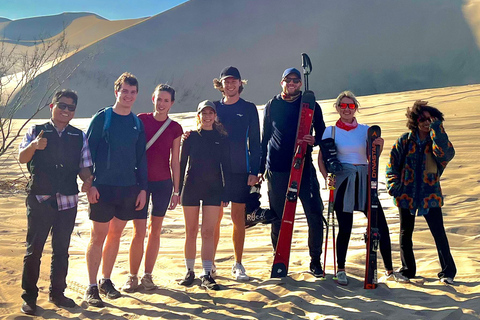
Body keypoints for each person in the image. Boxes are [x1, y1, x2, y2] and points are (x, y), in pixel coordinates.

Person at [319, 90, 408, 285]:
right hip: (343, 181)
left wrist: (379, 147)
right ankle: (340, 269)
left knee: (379, 225)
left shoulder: (366, 130)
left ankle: (389, 270)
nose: (347, 109)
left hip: (367, 179)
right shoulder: (330, 131)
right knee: (345, 227)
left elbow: (371, 156)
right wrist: (327, 178)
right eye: (343, 105)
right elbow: (322, 158)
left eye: (351, 105)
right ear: (337, 108)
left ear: (356, 108)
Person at [18, 89, 93, 315]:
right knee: (34, 250)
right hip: (40, 198)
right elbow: (22, 158)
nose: (66, 111)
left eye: (71, 107)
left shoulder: (79, 136)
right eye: (62, 105)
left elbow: (84, 166)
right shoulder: (36, 130)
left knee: (61, 250)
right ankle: (29, 297)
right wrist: (34, 147)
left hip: (68, 201)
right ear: (52, 106)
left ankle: (57, 293)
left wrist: (88, 180)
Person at [84, 72, 147, 307]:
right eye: (125, 91)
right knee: (98, 236)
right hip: (103, 188)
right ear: (116, 92)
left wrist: (142, 189)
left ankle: (105, 280)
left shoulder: (136, 122)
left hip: (128, 188)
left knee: (115, 234)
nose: (128, 96)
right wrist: (90, 184)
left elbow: (141, 159)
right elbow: (87, 153)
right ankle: (91, 286)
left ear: (137, 94)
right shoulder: (103, 118)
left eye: (132, 92)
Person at [260, 67, 325, 277]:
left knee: (314, 214)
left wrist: (314, 140)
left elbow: (323, 134)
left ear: (301, 83)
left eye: (296, 80)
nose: (293, 83)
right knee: (278, 217)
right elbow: (265, 139)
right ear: (282, 82)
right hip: (277, 169)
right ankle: (279, 259)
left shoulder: (310, 104)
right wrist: (260, 170)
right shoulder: (272, 105)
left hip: (304, 167)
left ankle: (315, 261)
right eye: (288, 80)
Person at [386, 100, 456, 284]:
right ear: (415, 120)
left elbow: (446, 154)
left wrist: (437, 130)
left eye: (431, 119)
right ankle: (408, 270)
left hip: (429, 195)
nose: (426, 122)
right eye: (423, 119)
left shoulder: (436, 142)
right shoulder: (404, 141)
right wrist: (394, 186)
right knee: (405, 233)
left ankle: (448, 272)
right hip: (406, 194)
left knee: (438, 233)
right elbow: (391, 165)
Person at [122, 84, 183, 292]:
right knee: (138, 231)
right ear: (153, 99)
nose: (162, 104)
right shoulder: (141, 120)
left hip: (163, 184)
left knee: (155, 230)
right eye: (159, 99)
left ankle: (148, 276)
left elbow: (176, 161)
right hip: (141, 184)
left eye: (166, 100)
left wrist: (177, 190)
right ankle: (132, 276)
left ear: (172, 103)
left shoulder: (175, 128)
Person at [211, 66, 261, 280]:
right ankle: (209, 263)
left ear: (241, 83)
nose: (230, 85)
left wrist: (255, 171)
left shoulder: (249, 108)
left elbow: (255, 142)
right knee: (214, 218)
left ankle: (238, 264)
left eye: (234, 81)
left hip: (241, 170)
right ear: (220, 85)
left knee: (237, 218)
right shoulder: (212, 107)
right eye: (226, 81)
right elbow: (201, 132)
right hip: (217, 171)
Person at [178, 100, 230, 290]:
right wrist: (177, 190)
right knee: (190, 231)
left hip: (214, 190)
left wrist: (226, 192)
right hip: (191, 188)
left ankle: (206, 273)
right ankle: (189, 271)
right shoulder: (190, 137)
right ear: (198, 115)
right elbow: (182, 165)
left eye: (211, 113)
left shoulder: (221, 137)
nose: (207, 117)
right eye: (204, 113)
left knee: (208, 231)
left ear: (215, 116)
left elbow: (226, 166)